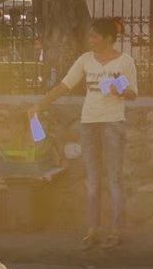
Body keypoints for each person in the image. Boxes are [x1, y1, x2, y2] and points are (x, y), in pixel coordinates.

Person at [31, 17, 136, 249]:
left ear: (108, 38)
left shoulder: (125, 61)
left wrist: (120, 90)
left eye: (95, 36)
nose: (91, 40)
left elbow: (133, 93)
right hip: (89, 122)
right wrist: (40, 104)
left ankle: (117, 230)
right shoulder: (85, 60)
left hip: (113, 123)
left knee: (114, 178)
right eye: (90, 36)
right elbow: (64, 85)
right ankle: (93, 230)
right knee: (92, 179)